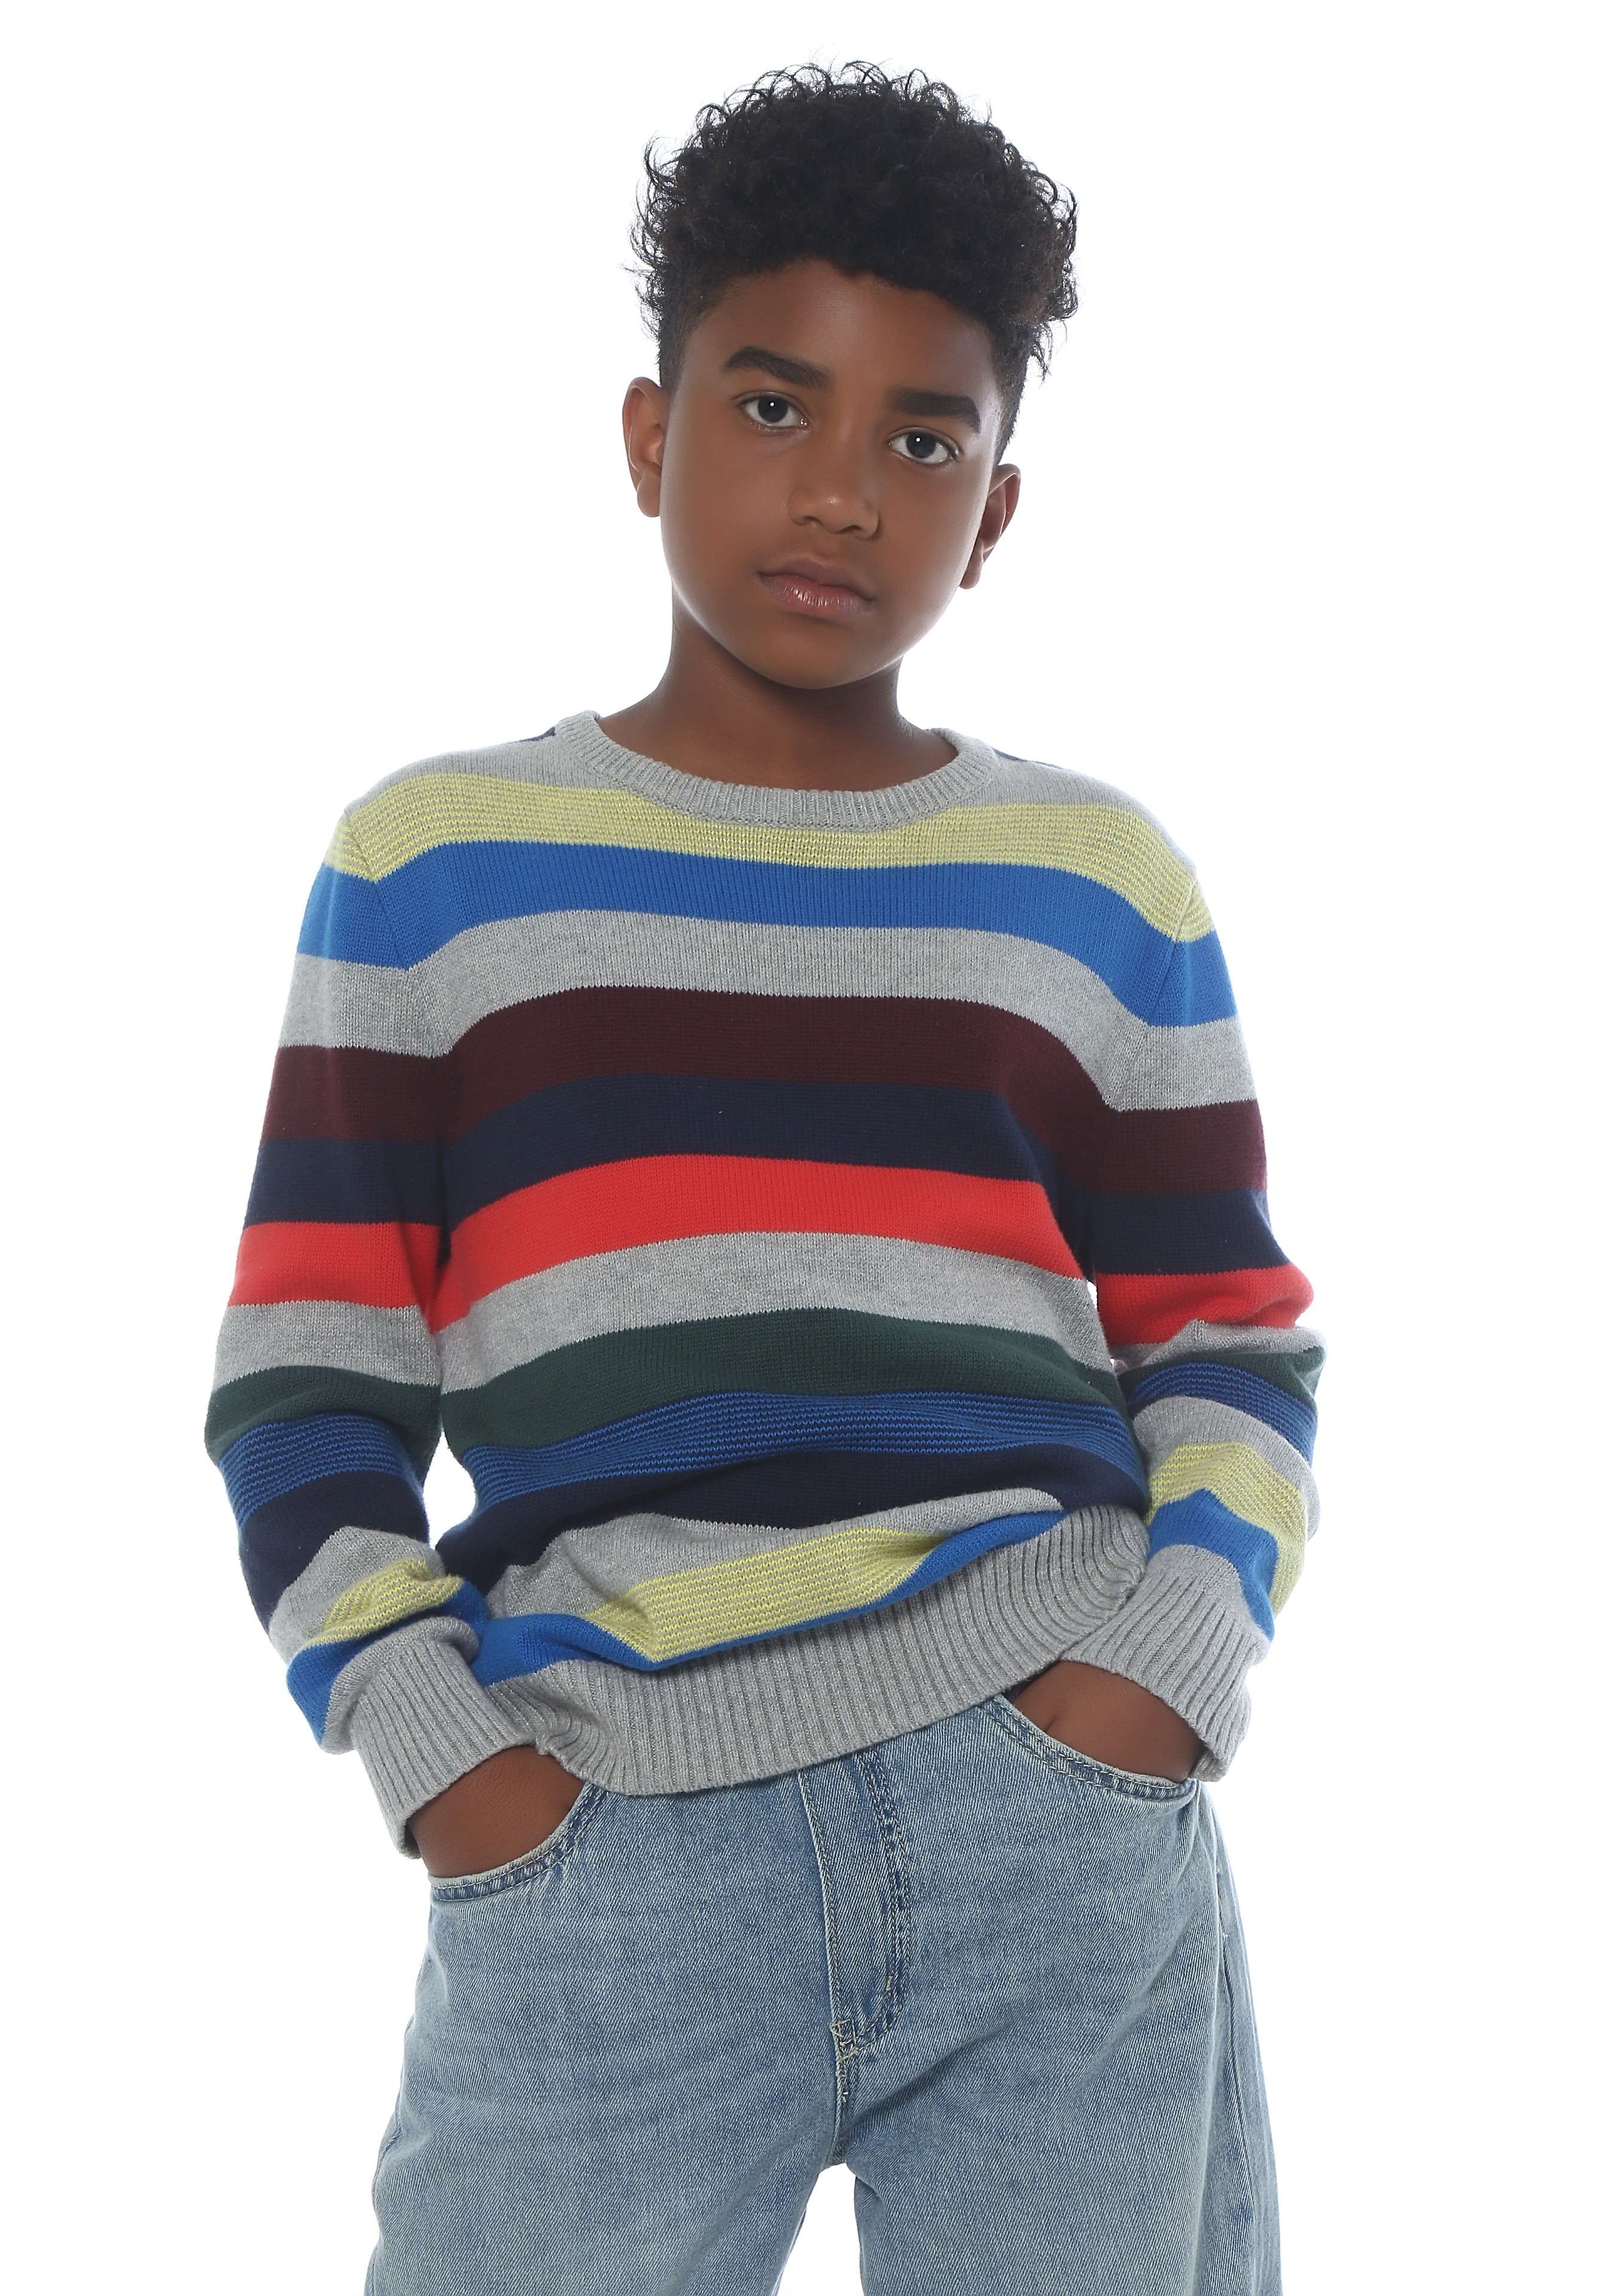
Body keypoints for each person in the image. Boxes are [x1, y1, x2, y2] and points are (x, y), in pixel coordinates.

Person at [207, 62, 1322, 2296]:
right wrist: (448, 1764)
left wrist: (1161, 1673)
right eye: (773, 404)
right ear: (649, 436)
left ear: (994, 512)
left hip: (1053, 1802)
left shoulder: (1094, 879)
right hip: (602, 1836)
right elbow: (308, 1384)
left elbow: (1227, 1338)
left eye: (923, 439)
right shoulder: (435, 867)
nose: (838, 491)